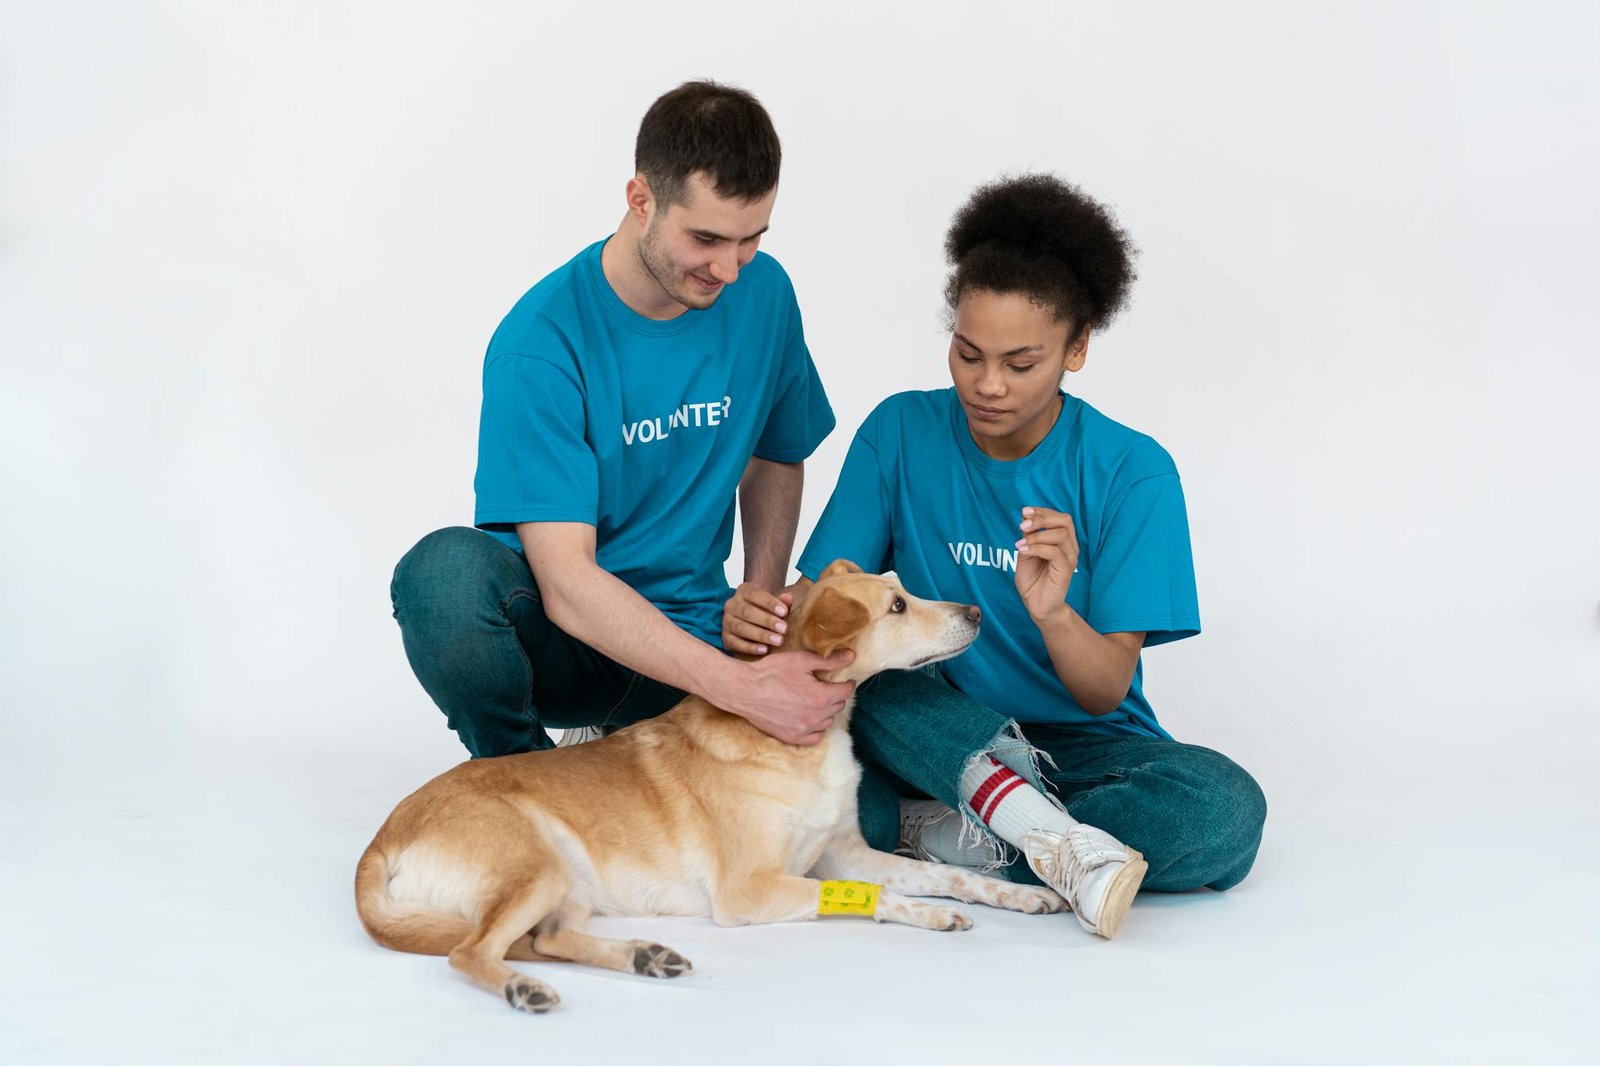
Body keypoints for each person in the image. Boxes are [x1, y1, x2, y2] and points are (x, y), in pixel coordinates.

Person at [722, 174, 1267, 939]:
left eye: (1020, 363)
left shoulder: (1131, 471)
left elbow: (1105, 692)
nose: (986, 385)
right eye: (968, 352)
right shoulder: (900, 433)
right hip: (924, 727)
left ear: (1077, 349)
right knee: (863, 700)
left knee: (1223, 811)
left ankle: (976, 835)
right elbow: (821, 628)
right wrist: (755, 615)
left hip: (1079, 749)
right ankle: (1055, 845)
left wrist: (1053, 613)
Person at [391, 80, 853, 760]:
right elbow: (569, 586)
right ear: (641, 200)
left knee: (863, 812)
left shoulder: (767, 293)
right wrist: (742, 690)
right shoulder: (541, 343)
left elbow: (778, 449)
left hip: (699, 638)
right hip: (569, 644)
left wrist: (759, 601)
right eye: (706, 238)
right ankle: (524, 780)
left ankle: (627, 743)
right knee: (444, 578)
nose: (729, 268)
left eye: (751, 238)